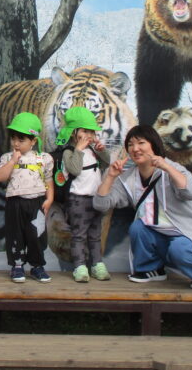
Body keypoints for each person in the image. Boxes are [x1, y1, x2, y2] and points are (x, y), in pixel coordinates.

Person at [93, 124, 192, 289]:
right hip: (156, 233)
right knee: (138, 227)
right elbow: (101, 205)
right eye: (130, 144)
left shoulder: (173, 168)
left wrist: (166, 166)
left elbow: (191, 192)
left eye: (141, 143)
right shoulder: (128, 178)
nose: (135, 148)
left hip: (184, 235)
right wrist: (110, 176)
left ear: (154, 144)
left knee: (179, 249)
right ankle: (151, 269)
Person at [0, 112, 54, 283]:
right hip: (15, 202)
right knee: (16, 235)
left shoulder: (43, 158)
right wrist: (13, 161)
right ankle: (17, 266)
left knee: (36, 235)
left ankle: (37, 266)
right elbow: (0, 177)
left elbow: (49, 180)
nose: (16, 143)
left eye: (21, 140)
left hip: (36, 202)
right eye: (13, 139)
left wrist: (49, 199)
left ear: (33, 141)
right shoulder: (7, 157)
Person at [55, 106, 112, 283]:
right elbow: (74, 169)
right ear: (73, 133)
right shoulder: (69, 152)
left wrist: (101, 149)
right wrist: (78, 149)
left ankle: (97, 264)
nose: (89, 135)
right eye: (84, 131)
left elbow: (108, 161)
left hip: (96, 198)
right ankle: (79, 266)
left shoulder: (93, 150)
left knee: (95, 234)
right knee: (79, 234)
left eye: (91, 131)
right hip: (78, 199)